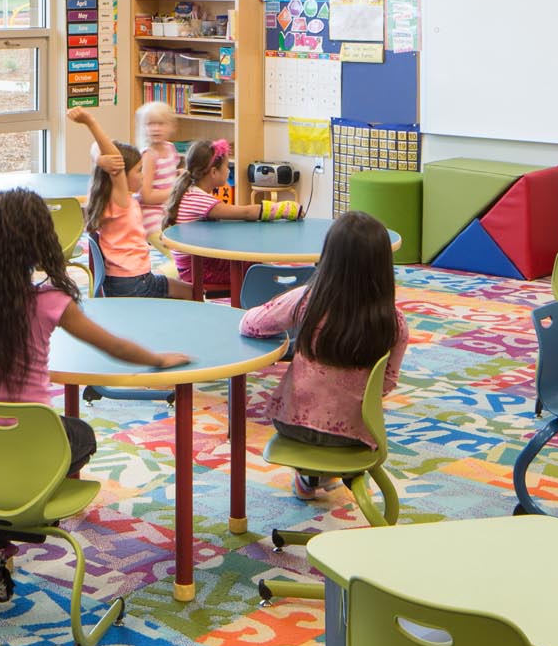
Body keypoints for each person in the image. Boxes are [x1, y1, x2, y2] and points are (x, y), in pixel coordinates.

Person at [0, 188, 190, 603]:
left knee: (35, 447)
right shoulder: (49, 302)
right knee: (81, 435)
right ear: (36, 242)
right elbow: (112, 346)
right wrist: (156, 359)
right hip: (34, 450)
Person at [238, 210, 407, 500]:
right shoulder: (394, 322)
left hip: (292, 426)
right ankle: (320, 474)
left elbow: (250, 324)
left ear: (329, 259)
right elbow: (387, 383)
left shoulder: (307, 300)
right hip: (354, 438)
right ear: (383, 266)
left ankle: (308, 476)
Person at [69, 106, 192, 299]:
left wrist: (98, 158)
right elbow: (114, 158)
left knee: (185, 289)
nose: (144, 176)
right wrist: (90, 122)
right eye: (139, 170)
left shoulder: (105, 194)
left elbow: (99, 150)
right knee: (190, 292)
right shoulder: (122, 201)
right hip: (133, 283)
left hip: (125, 280)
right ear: (121, 176)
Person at [163, 138, 297, 291]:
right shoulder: (199, 199)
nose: (228, 170)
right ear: (214, 172)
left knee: (255, 264)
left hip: (197, 265)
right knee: (256, 270)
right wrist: (282, 210)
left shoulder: (190, 192)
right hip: (199, 270)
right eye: (226, 166)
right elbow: (245, 212)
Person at [135, 101, 180, 235]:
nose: (155, 128)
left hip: (168, 206)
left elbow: (169, 174)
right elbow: (146, 196)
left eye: (161, 124)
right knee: (165, 238)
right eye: (150, 124)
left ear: (172, 126)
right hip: (151, 212)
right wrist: (176, 191)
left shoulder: (170, 148)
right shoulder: (149, 155)